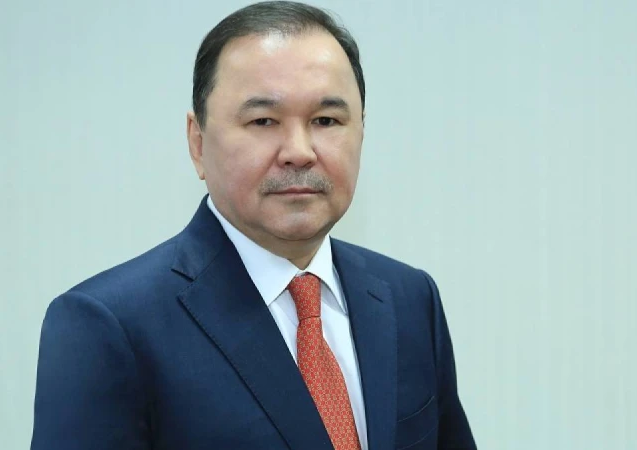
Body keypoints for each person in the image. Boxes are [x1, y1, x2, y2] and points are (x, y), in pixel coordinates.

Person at [30, 2, 475, 449]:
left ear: (361, 131)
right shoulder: (108, 327)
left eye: (326, 120)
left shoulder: (409, 298)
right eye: (263, 121)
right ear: (197, 143)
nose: (299, 152)